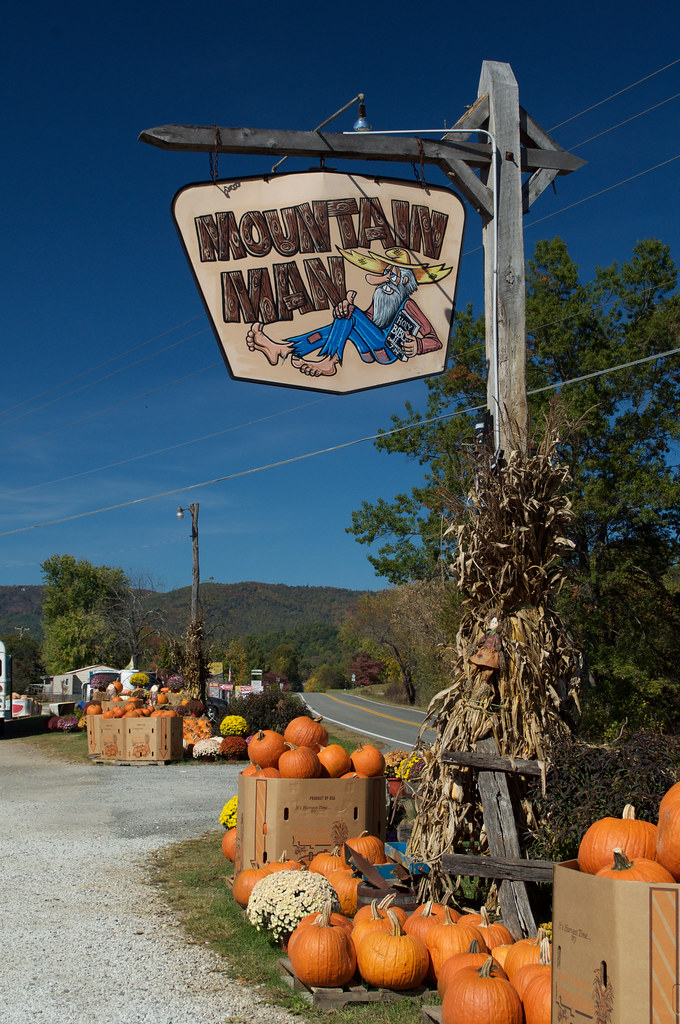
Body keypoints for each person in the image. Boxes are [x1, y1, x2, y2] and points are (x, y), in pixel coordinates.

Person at [246, 246, 452, 378]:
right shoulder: (381, 297)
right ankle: (284, 349)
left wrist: (418, 345)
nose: (386, 277)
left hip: (388, 351)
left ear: (405, 280)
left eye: (392, 274)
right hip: (369, 351)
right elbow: (367, 321)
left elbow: (436, 340)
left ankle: (328, 361)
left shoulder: (408, 305)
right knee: (344, 318)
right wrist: (347, 310)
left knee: (349, 314)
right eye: (386, 272)